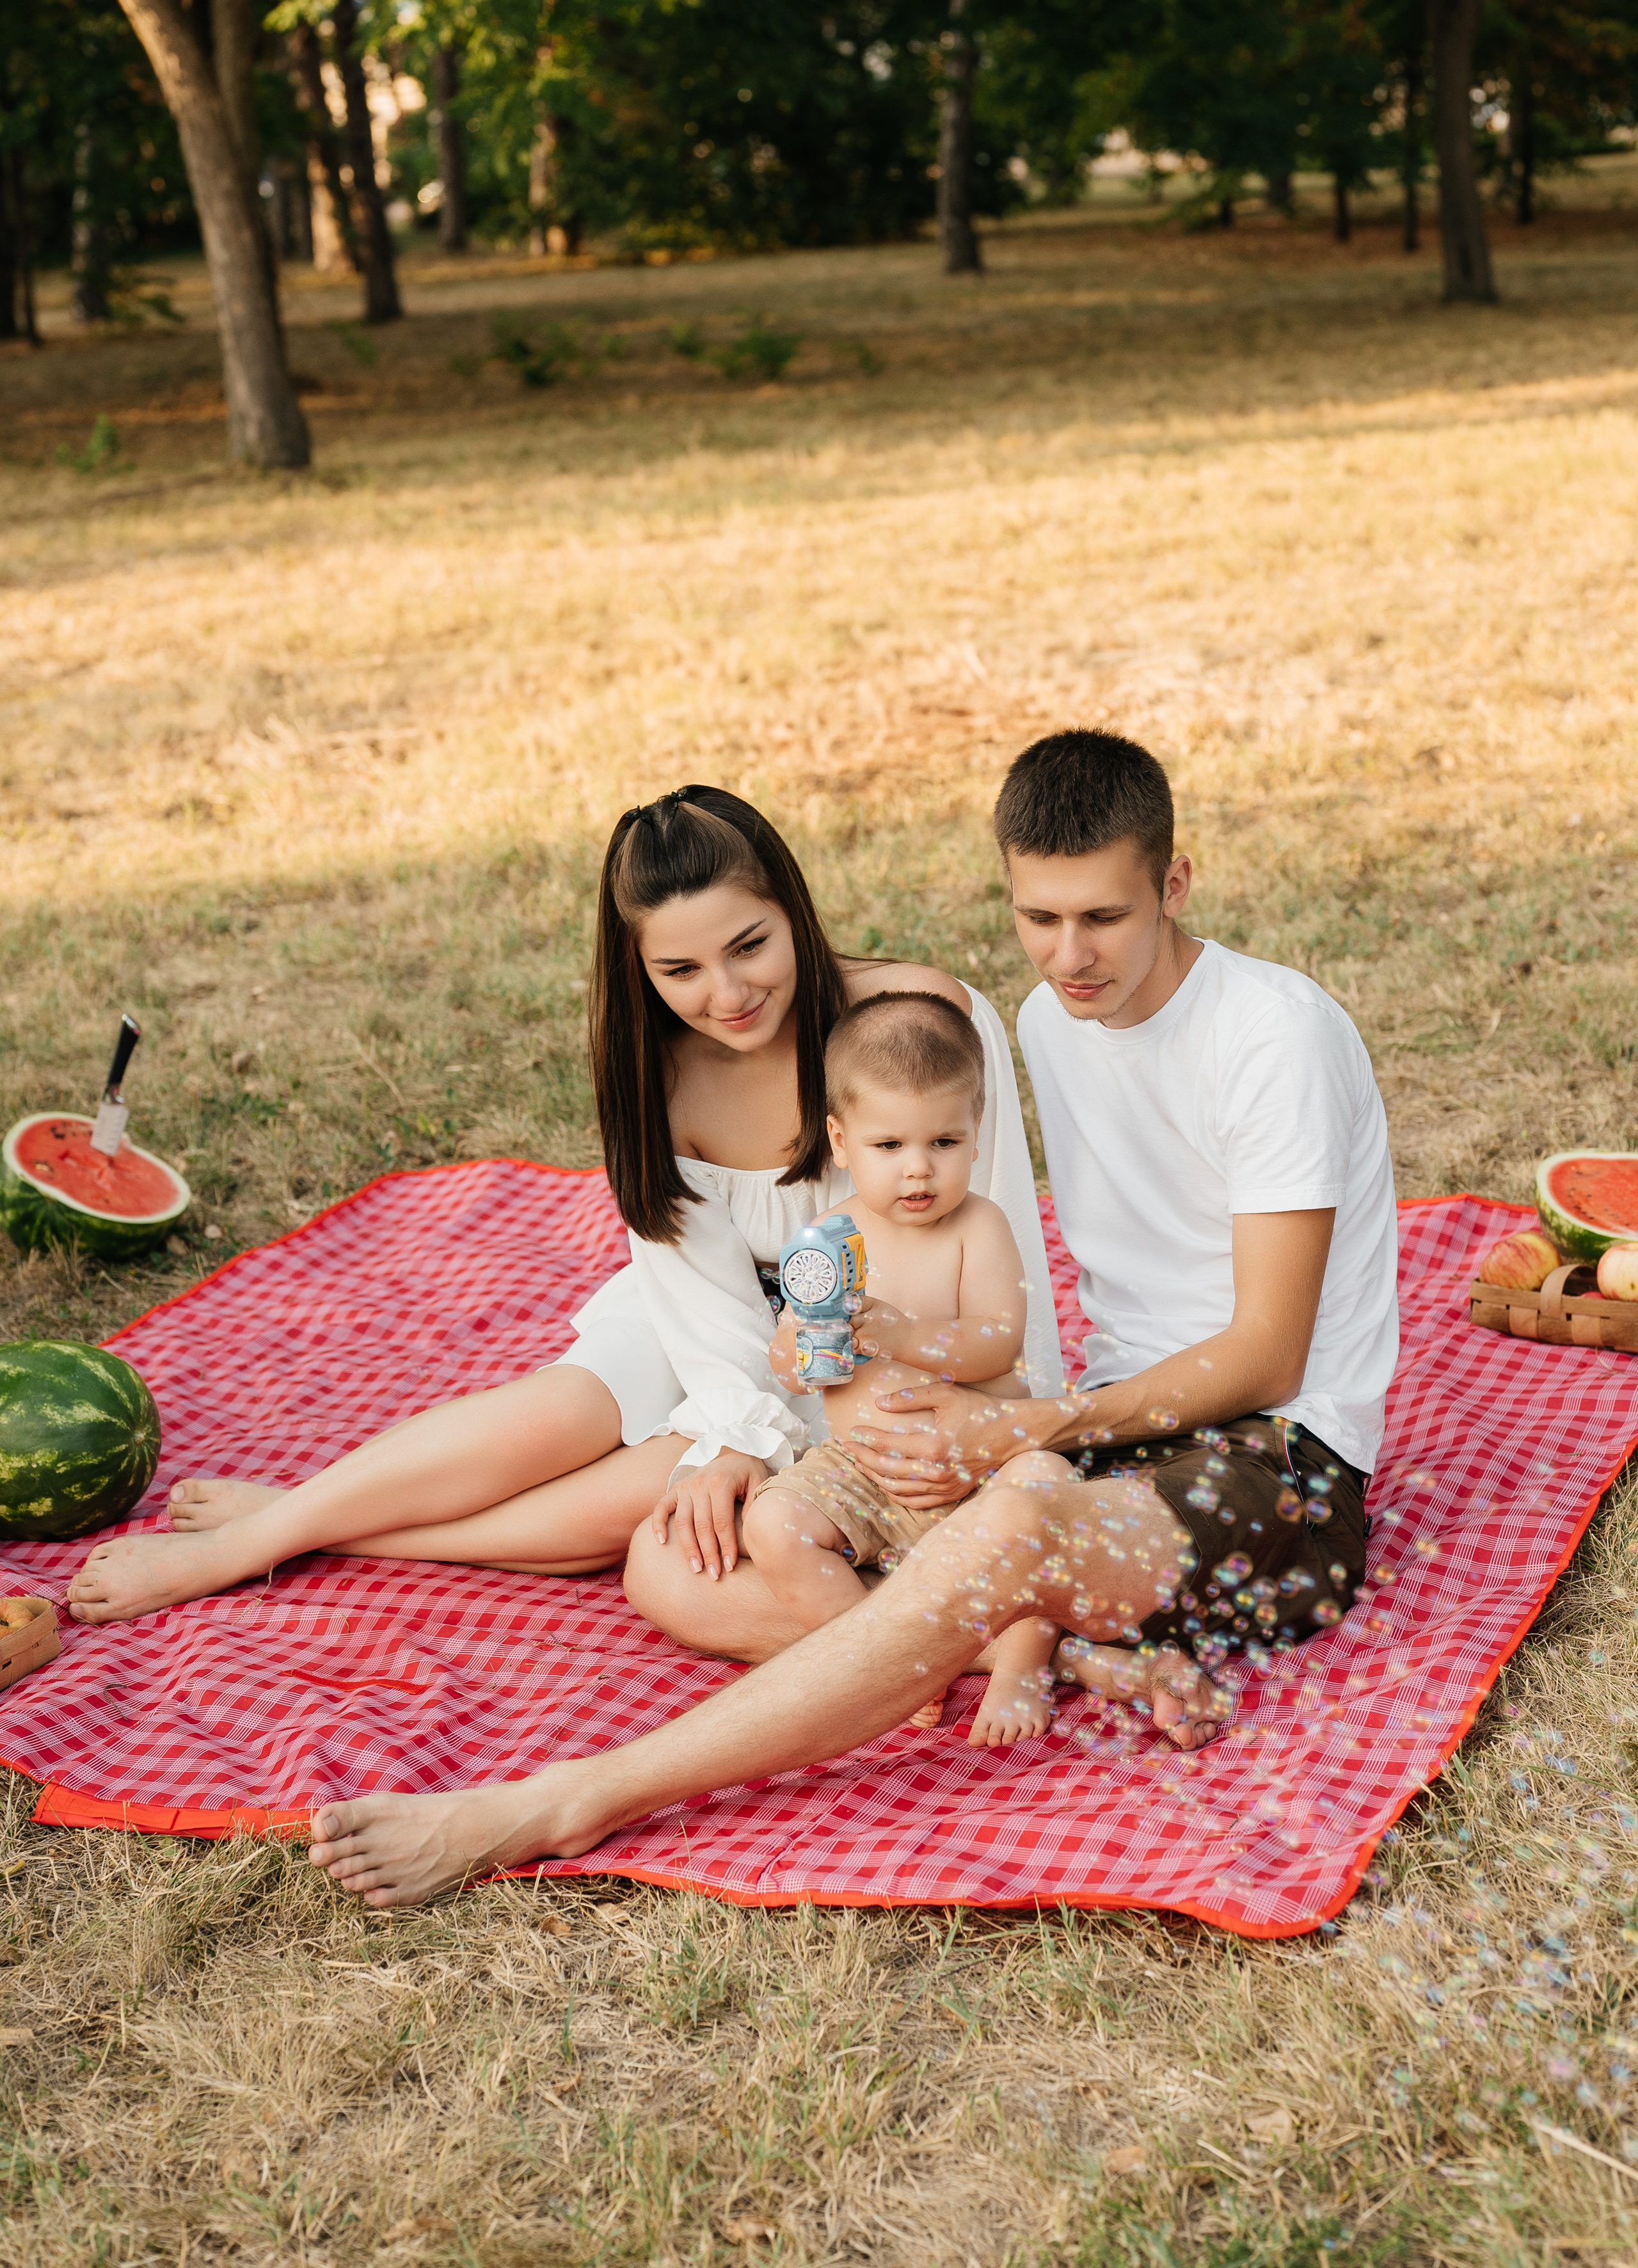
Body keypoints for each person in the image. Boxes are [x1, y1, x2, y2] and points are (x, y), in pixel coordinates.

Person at [300, 727, 1401, 1908]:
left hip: (1279, 1469)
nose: (1070, 955)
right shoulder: (1046, 1020)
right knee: (672, 1571)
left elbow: (1265, 1353)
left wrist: (1020, 1420)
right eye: (1040, 917)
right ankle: (1076, 1657)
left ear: (1174, 885)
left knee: (998, 1540)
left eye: (1104, 918)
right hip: (1101, 1443)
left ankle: (567, 1797)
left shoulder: (1271, 1034)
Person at [64, 787, 1061, 1628]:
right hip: (710, 1316)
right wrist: (735, 1431)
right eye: (679, 970)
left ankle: (306, 1525)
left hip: (866, 1355)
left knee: (643, 1498)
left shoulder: (921, 1022)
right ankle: (272, 1535)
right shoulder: (656, 1073)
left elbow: (994, 1242)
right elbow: (696, 1295)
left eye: (749, 945)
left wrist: (958, 1422)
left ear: (793, 910)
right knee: (558, 1414)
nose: (726, 993)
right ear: (639, 969)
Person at [742, 988, 1067, 1749]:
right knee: (772, 1522)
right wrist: (795, 1351)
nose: (918, 1170)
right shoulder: (829, 1236)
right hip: (863, 1467)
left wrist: (902, 1330)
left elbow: (996, 1340)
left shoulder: (978, 1226)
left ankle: (1023, 1663)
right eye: (889, 1146)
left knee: (1047, 1486)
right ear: (841, 1139)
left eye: (944, 1143)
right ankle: (892, 1658)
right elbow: (794, 1352)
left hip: (978, 1467)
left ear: (975, 1134)